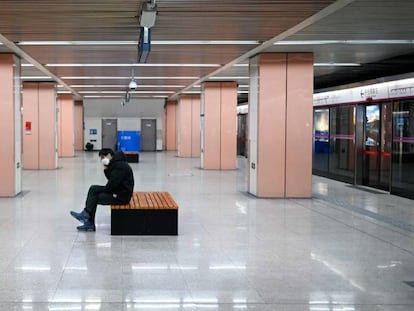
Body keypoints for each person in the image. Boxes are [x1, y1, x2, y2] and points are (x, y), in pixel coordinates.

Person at [70, 148, 134, 231]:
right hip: (118, 191)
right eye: (101, 158)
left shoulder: (120, 166)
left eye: (103, 157)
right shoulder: (116, 163)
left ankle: (88, 219)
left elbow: (112, 185)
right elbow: (112, 181)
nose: (102, 160)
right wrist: (106, 170)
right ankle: (86, 215)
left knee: (94, 197)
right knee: (93, 189)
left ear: (109, 155)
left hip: (122, 196)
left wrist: (104, 188)